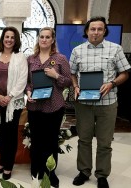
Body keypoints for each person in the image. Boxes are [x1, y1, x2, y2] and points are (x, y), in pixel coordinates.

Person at [70, 16, 130, 188]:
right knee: (84, 139)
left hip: (107, 103)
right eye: (92, 29)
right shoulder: (77, 51)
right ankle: (84, 171)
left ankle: (102, 175)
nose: (95, 32)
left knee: (104, 142)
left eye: (99, 29)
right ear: (87, 31)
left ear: (104, 31)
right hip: (84, 104)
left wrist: (112, 83)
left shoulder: (116, 49)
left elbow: (125, 73)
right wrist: (75, 86)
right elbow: (72, 73)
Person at [26, 27, 72, 188]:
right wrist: (28, 92)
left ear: (53, 40)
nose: (44, 39)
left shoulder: (60, 59)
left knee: (51, 141)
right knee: (36, 141)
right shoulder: (31, 59)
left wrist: (56, 76)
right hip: (35, 107)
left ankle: (50, 173)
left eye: (47, 37)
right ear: (38, 39)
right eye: (41, 37)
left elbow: (68, 81)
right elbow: (27, 82)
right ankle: (36, 170)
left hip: (54, 106)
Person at [0, 26, 28, 180]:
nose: (9, 40)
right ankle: (2, 162)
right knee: (1, 133)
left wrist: (9, 96)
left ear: (15, 40)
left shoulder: (20, 57)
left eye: (12, 37)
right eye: (6, 37)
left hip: (13, 103)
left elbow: (22, 79)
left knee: (11, 135)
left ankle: (8, 166)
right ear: (2, 39)